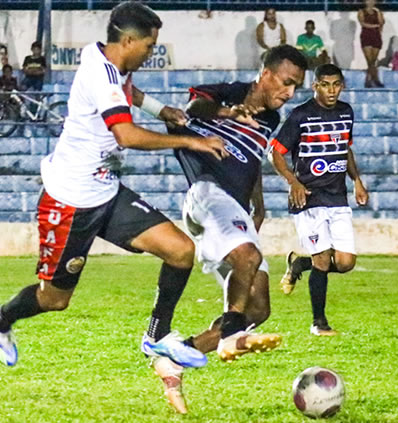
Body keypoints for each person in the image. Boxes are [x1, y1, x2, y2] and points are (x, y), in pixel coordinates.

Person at [0, 2, 228, 374]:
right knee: (54, 299)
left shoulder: (112, 62)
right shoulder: (103, 75)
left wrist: (162, 110)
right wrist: (190, 142)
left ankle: (156, 337)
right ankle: (0, 321)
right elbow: (125, 135)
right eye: (148, 45)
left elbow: (130, 91)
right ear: (129, 40)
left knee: (180, 251)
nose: (150, 52)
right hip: (70, 202)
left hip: (107, 192)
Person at [152, 45, 308, 414]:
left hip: (234, 204)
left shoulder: (271, 118)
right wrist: (229, 111)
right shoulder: (225, 92)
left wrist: (259, 201)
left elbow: (251, 158)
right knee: (247, 256)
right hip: (207, 191)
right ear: (266, 74)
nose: (289, 93)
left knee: (259, 305)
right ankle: (232, 335)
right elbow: (195, 109)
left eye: (296, 87)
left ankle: (176, 358)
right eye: (286, 83)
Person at [270, 64, 369, 336]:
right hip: (309, 199)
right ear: (315, 86)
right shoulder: (300, 115)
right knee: (323, 260)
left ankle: (301, 263)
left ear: (343, 86)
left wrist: (356, 180)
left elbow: (345, 147)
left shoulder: (346, 112)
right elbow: (275, 152)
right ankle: (319, 323)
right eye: (325, 84)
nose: (331, 90)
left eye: (336, 84)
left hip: (337, 197)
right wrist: (294, 182)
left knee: (346, 263)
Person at [358, 0, 384, 88]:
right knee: (369, 60)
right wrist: (375, 26)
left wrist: (379, 14)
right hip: (366, 36)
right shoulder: (361, 12)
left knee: (373, 60)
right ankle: (374, 79)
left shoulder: (378, 12)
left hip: (376, 36)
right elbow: (363, 23)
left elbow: (381, 23)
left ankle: (369, 79)